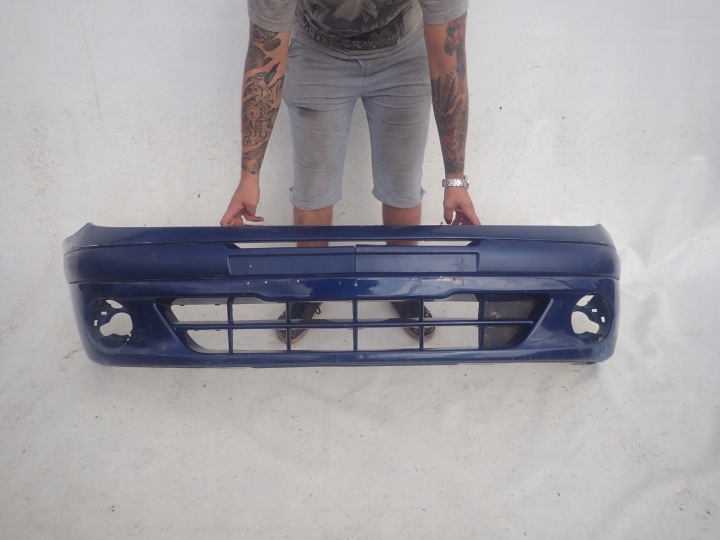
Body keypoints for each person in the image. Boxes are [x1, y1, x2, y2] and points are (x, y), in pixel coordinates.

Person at [221, 0, 481, 343]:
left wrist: (456, 179)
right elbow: (264, 63)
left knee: (401, 181)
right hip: (316, 52)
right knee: (314, 186)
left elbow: (449, 66)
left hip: (403, 51)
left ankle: (404, 284)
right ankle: (309, 287)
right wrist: (249, 176)